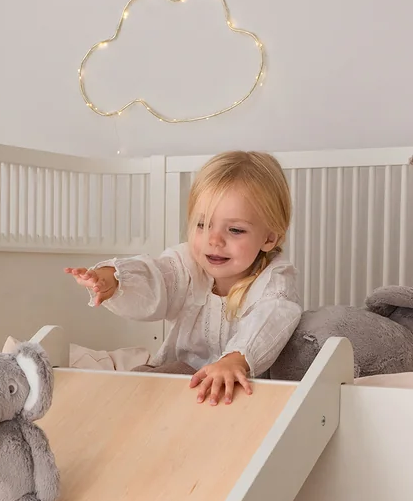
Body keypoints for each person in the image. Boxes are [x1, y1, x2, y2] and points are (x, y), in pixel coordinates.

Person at [66, 150, 300, 405]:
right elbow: (158, 276)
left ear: (269, 238)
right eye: (202, 225)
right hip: (182, 379)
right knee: (137, 383)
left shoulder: (274, 280)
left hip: (241, 391)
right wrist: (115, 279)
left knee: (150, 385)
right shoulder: (188, 264)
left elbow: (272, 318)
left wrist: (235, 360)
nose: (214, 240)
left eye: (234, 230)